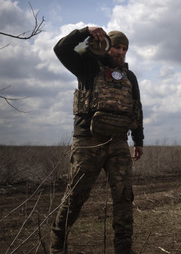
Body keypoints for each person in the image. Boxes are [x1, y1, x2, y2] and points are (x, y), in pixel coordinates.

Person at [50, 26, 144, 254]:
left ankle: (124, 249)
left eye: (125, 48)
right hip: (88, 141)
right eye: (117, 47)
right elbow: (61, 49)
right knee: (76, 196)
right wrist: (85, 32)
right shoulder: (88, 66)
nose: (120, 52)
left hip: (119, 142)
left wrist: (138, 140)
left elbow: (137, 108)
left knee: (123, 197)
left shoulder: (129, 76)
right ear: (107, 46)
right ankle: (57, 247)